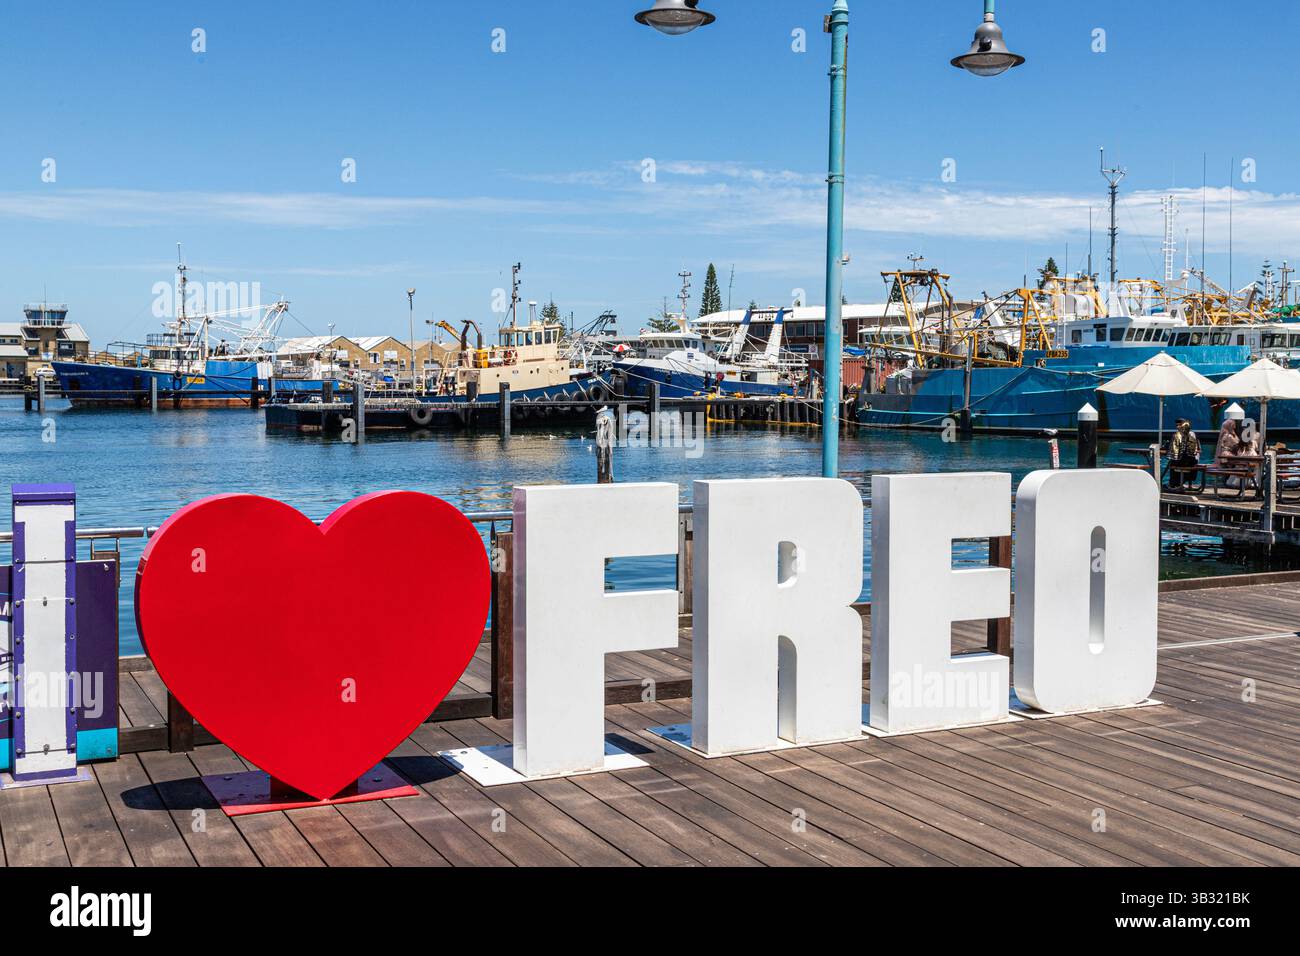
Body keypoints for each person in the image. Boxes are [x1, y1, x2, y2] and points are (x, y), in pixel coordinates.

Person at [1167, 419, 1201, 490]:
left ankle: (1173, 484)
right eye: (1177, 425)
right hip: (1193, 461)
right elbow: (1198, 448)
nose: (1177, 427)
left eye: (1179, 425)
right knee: (1190, 461)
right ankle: (1186, 484)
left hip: (1184, 461)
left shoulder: (1178, 435)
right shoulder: (1193, 434)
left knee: (1172, 463)